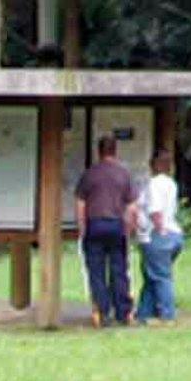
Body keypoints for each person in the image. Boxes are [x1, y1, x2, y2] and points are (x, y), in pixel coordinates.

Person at [74, 135, 140, 326]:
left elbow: (80, 204)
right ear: (115, 150)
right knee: (119, 268)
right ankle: (123, 312)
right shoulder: (123, 174)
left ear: (99, 151)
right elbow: (132, 207)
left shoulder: (90, 174)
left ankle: (102, 312)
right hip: (116, 225)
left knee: (96, 270)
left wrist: (82, 228)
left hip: (95, 224)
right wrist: (129, 229)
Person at [134, 149, 184, 324]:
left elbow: (155, 210)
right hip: (174, 233)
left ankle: (167, 314)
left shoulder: (154, 184)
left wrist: (159, 228)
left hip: (157, 234)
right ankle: (144, 313)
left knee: (161, 276)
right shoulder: (171, 183)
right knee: (151, 275)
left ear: (154, 165)